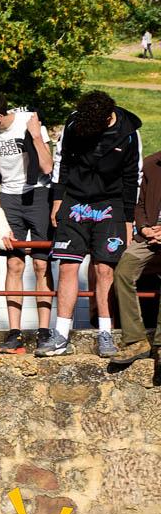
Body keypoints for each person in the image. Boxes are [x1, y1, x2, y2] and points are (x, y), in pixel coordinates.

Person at [38, 91, 142, 357]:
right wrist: (58, 200)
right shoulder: (75, 123)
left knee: (104, 269)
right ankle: (61, 336)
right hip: (75, 201)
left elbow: (132, 177)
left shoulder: (129, 132)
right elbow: (62, 162)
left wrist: (128, 219)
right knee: (67, 267)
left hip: (111, 203)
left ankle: (105, 334)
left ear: (108, 118)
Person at [0, 90, 55, 354]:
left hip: (39, 193)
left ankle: (44, 332)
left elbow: (48, 167)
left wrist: (36, 136)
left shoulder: (28, 121)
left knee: (41, 264)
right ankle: (14, 333)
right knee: (14, 264)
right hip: (9, 197)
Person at [111, 149, 161, 366]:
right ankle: (136, 340)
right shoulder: (152, 163)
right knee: (123, 272)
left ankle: (160, 344)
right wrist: (144, 228)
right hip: (149, 234)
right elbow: (139, 205)